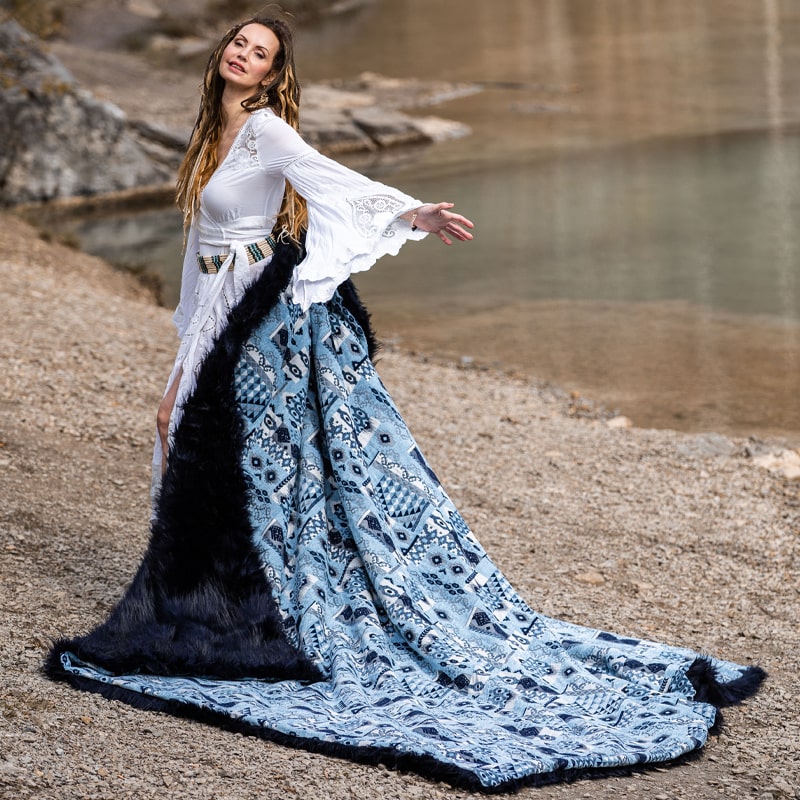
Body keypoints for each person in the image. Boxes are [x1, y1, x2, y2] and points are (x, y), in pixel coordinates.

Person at [46, 15, 764, 792]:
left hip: (255, 304)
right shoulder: (209, 131)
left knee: (219, 442)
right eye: (238, 43)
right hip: (218, 299)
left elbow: (329, 178)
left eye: (259, 52)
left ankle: (202, 595)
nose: (242, 55)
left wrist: (408, 213)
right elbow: (198, 243)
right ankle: (190, 587)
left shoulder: (267, 131)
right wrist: (187, 324)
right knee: (178, 427)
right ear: (223, 52)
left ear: (272, 73)